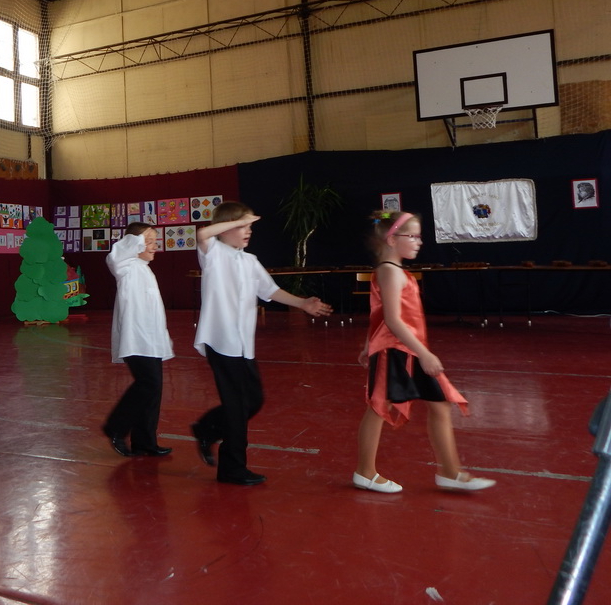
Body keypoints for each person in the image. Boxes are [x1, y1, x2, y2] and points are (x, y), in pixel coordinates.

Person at [190, 201, 333, 486]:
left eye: (249, 227)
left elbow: (270, 290)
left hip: (243, 344)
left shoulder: (250, 261)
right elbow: (202, 234)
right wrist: (236, 221)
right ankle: (232, 469)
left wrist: (303, 303)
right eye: (242, 226)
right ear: (226, 228)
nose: (248, 231)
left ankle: (207, 428)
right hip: (221, 340)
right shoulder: (213, 253)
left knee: (253, 400)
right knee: (236, 407)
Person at [354, 210, 496, 493]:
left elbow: (379, 313)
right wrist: (425, 353)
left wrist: (369, 343)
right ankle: (365, 472)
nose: (419, 242)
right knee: (380, 407)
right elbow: (392, 320)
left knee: (440, 403)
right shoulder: (389, 271)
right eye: (413, 236)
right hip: (396, 350)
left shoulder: (397, 271)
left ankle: (450, 472)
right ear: (392, 239)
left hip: (410, 349)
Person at [101, 223, 174, 457]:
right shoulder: (126, 266)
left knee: (154, 389)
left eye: (155, 241)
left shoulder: (144, 269)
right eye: (149, 241)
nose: (154, 246)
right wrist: (140, 237)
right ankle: (116, 426)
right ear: (135, 243)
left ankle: (145, 442)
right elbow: (117, 254)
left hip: (151, 341)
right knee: (148, 385)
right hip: (136, 340)